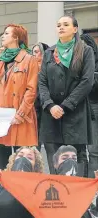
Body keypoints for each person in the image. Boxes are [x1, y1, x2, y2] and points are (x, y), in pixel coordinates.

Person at [38, 16, 95, 176]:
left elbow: (87, 81)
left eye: (65, 24)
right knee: (54, 155)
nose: (61, 27)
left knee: (77, 155)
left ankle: (79, 198)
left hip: (74, 112)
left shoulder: (85, 51)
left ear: (75, 29)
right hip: (51, 113)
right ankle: (58, 197)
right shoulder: (49, 52)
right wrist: (49, 105)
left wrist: (64, 106)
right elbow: (42, 82)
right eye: (58, 25)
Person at [0, 24, 39, 170]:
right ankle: (5, 190)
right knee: (3, 161)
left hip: (20, 117)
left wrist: (20, 114)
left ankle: (22, 191)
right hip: (0, 116)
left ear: (16, 37)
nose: (3, 36)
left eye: (7, 33)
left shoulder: (29, 59)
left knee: (22, 160)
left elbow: (31, 89)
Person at [0, 146, 44, 218]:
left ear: (36, 168)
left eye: (29, 158)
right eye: (20, 155)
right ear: (13, 161)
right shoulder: (2, 186)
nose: (23, 159)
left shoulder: (39, 191)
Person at [80, 33, 98, 179]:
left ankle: (92, 182)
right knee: (79, 148)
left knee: (93, 150)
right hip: (78, 109)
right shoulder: (75, 62)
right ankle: (81, 179)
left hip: (93, 107)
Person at [31, 42, 50, 153]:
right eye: (33, 52)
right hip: (34, 107)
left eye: (37, 52)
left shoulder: (48, 67)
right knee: (34, 141)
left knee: (49, 143)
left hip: (46, 106)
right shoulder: (30, 68)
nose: (35, 55)